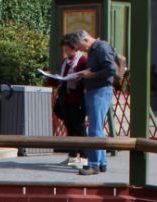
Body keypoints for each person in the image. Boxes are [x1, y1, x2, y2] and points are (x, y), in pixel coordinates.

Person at [73, 30, 116, 176]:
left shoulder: (101, 48)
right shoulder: (93, 50)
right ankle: (102, 163)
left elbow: (111, 69)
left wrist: (93, 75)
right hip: (96, 90)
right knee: (97, 128)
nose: (80, 50)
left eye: (80, 47)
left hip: (100, 91)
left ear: (86, 40)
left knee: (94, 129)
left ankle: (94, 164)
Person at [47, 33, 87, 168]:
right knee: (69, 126)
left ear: (75, 48)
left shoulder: (83, 61)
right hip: (66, 98)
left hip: (78, 99)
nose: (66, 52)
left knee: (79, 127)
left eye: (68, 49)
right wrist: (51, 77)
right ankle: (72, 155)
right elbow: (61, 79)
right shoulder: (65, 62)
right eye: (64, 49)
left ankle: (84, 156)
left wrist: (77, 80)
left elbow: (86, 79)